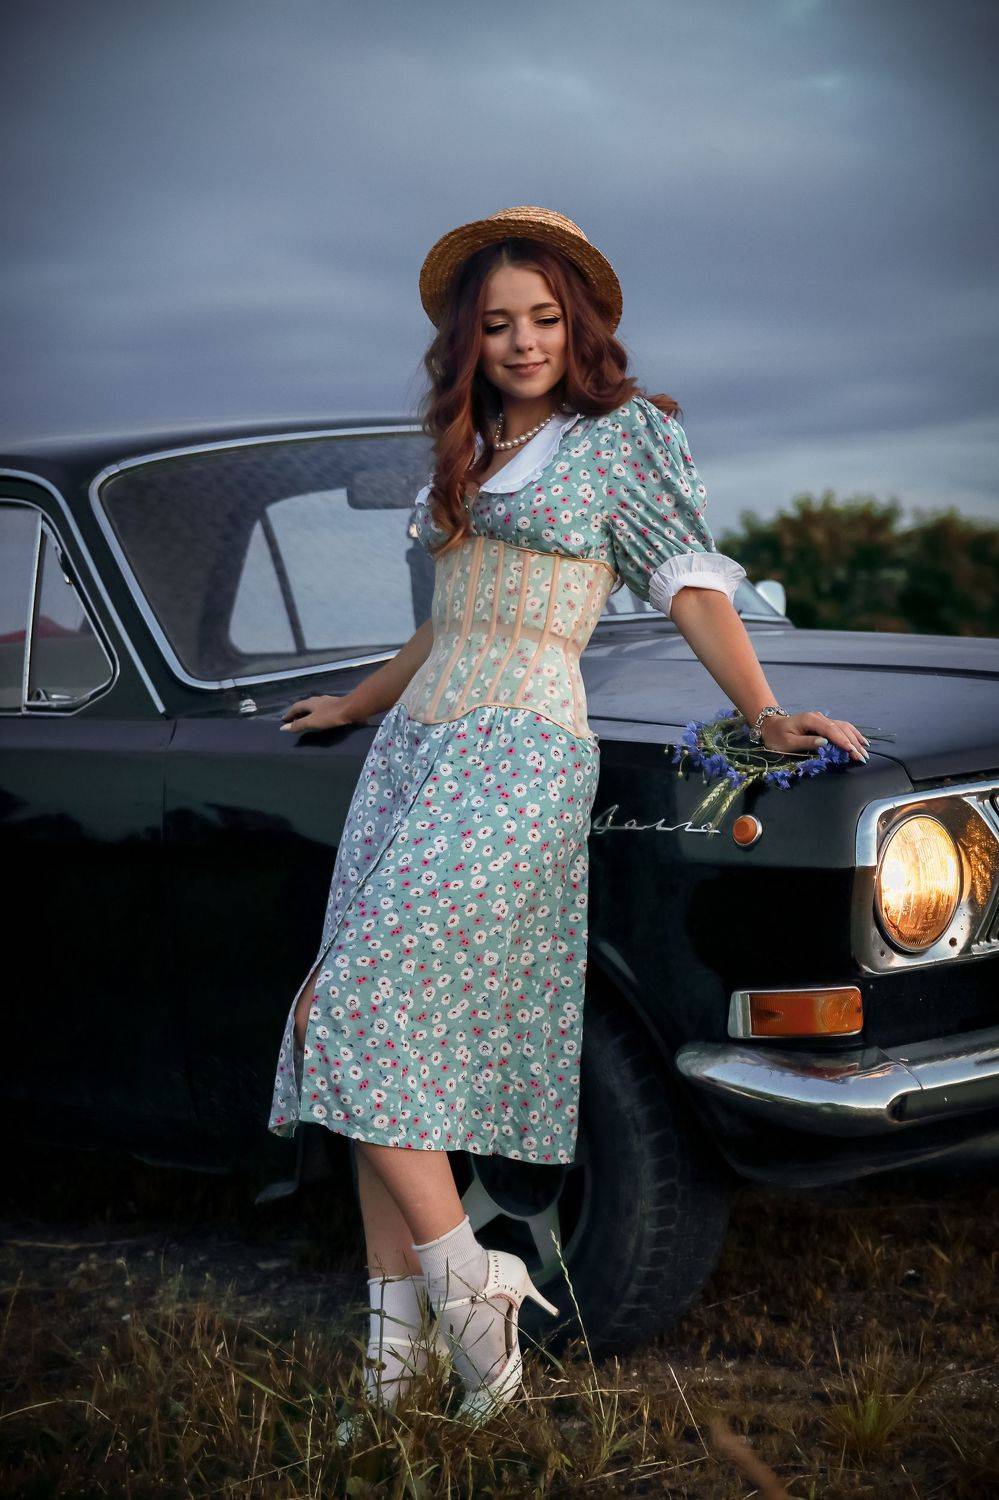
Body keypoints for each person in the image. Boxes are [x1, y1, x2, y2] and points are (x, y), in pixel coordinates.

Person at [266, 206, 871, 1430]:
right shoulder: (470, 446)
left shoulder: (622, 440)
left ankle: (473, 1288)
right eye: (498, 325)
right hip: (414, 754)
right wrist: (358, 703)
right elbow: (445, 623)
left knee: (351, 1014)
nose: (524, 341)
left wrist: (761, 713)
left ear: (577, 323)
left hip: (521, 749)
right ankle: (395, 1368)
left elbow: (688, 583)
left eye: (544, 318)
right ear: (469, 340)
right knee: (375, 1041)